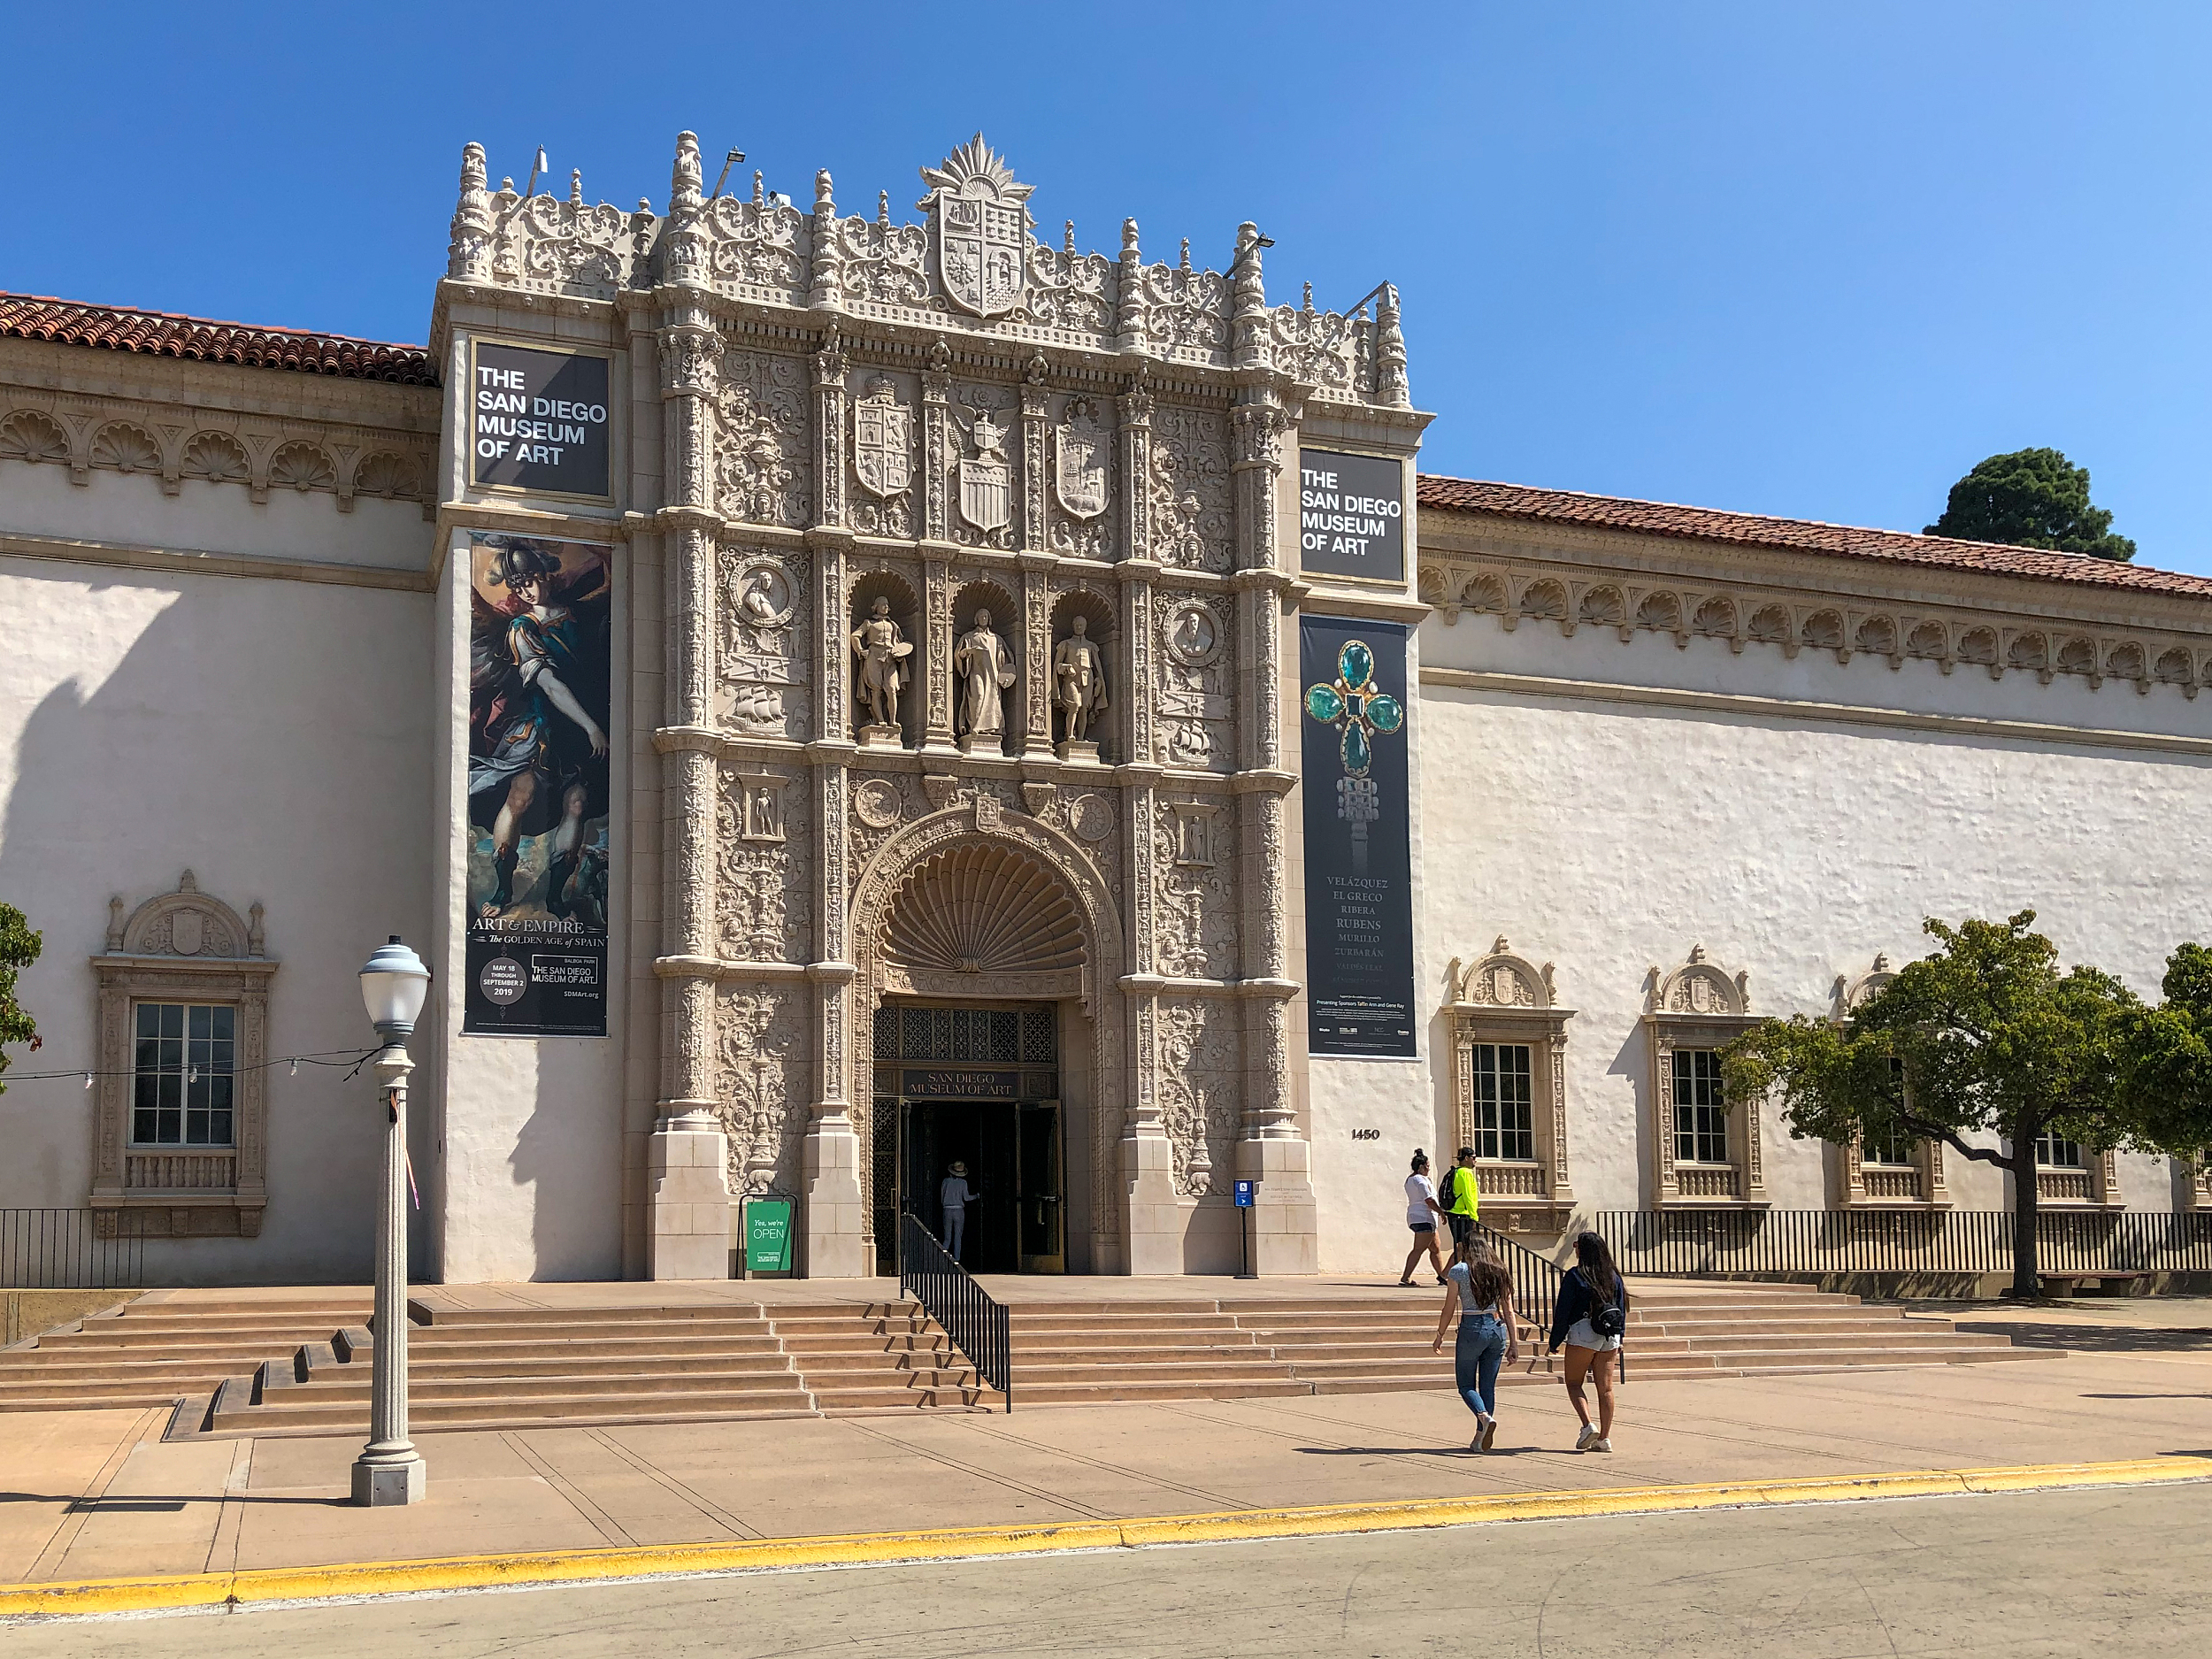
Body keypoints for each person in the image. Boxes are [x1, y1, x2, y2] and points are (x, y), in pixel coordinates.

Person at [1432, 1235, 1518, 1450]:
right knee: (1488, 1385)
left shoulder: (1459, 1271)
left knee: (1466, 1384)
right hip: (1496, 1327)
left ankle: (1483, 1416)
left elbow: (1449, 1307)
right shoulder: (1499, 1270)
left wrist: (1440, 1334)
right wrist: (1514, 1344)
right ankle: (1480, 1438)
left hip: (1472, 1326)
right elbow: (1509, 1310)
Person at [1548, 1231, 1628, 1453]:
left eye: (1576, 1245)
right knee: (1606, 1388)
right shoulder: (1613, 1276)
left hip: (1583, 1332)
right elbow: (1622, 1308)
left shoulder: (1576, 1276)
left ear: (1582, 1250)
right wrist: (1621, 1335)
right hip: (1610, 1334)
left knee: (1574, 1383)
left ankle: (1587, 1424)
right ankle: (1605, 1437)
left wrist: (1555, 1340)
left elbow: (1563, 1311)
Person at [1399, 1150, 1447, 1286]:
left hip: (1421, 1218)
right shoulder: (1420, 1180)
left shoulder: (1411, 1179)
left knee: (1435, 1247)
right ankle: (1405, 1278)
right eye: (1427, 1166)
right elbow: (1429, 1200)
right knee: (1419, 1249)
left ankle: (1442, 1276)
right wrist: (1441, 1212)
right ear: (1420, 1167)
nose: (1428, 1168)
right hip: (1423, 1218)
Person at [1439, 1146, 1480, 1251]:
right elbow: (1468, 1196)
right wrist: (1474, 1217)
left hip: (1455, 1214)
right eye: (1473, 1157)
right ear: (1466, 1158)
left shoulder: (1457, 1171)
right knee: (1464, 1248)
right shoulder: (1465, 1173)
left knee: (1463, 1248)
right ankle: (1451, 1268)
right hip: (1462, 1215)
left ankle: (1459, 1267)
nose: (1475, 1160)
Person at [940, 1160, 977, 1263]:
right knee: (958, 1236)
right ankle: (957, 1259)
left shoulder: (945, 1181)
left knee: (947, 1237)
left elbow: (942, 1197)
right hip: (959, 1210)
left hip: (947, 1209)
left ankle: (942, 1258)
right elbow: (966, 1197)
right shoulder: (963, 1183)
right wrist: (977, 1196)